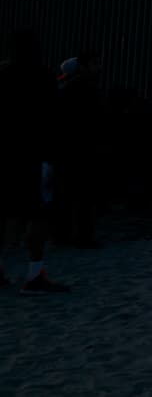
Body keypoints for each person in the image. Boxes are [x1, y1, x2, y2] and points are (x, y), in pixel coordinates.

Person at [0, 29, 70, 294]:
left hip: (6, 155)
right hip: (34, 155)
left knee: (4, 213)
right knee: (37, 215)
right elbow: (54, 118)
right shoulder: (42, 77)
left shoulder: (3, 75)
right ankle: (34, 273)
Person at [52, 52, 104, 248]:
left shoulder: (67, 88)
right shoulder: (84, 88)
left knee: (67, 194)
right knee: (83, 194)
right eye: (95, 63)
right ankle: (82, 236)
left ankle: (63, 235)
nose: (99, 67)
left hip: (70, 149)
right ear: (83, 67)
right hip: (81, 149)